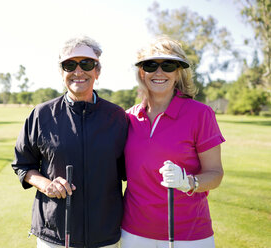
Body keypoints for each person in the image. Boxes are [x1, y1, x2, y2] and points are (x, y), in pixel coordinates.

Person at [12, 35, 128, 248]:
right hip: (54, 234)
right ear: (61, 72)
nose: (78, 71)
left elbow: (129, 170)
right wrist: (46, 184)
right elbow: (23, 165)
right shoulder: (41, 115)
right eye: (69, 65)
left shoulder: (118, 117)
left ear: (97, 71)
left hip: (105, 235)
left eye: (86, 63)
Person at [120, 35, 225, 248]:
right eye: (151, 65)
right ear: (142, 72)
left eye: (168, 65)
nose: (159, 72)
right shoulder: (128, 117)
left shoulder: (200, 114)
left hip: (189, 234)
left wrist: (188, 182)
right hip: (133, 232)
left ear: (178, 73)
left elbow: (215, 174)